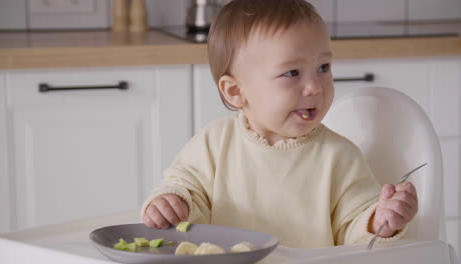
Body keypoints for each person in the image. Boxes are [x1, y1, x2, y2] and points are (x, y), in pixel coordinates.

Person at [140, 0, 418, 248]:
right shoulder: (214, 143)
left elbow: (354, 234)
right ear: (236, 92)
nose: (314, 87)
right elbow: (185, 189)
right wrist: (170, 203)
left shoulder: (340, 157)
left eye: (324, 68)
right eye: (292, 73)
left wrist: (380, 221)